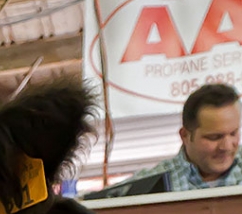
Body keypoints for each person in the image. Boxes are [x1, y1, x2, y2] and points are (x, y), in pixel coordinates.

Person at [91, 83, 241, 198]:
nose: (227, 146)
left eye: (233, 133)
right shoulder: (147, 187)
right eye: (214, 137)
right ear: (185, 136)